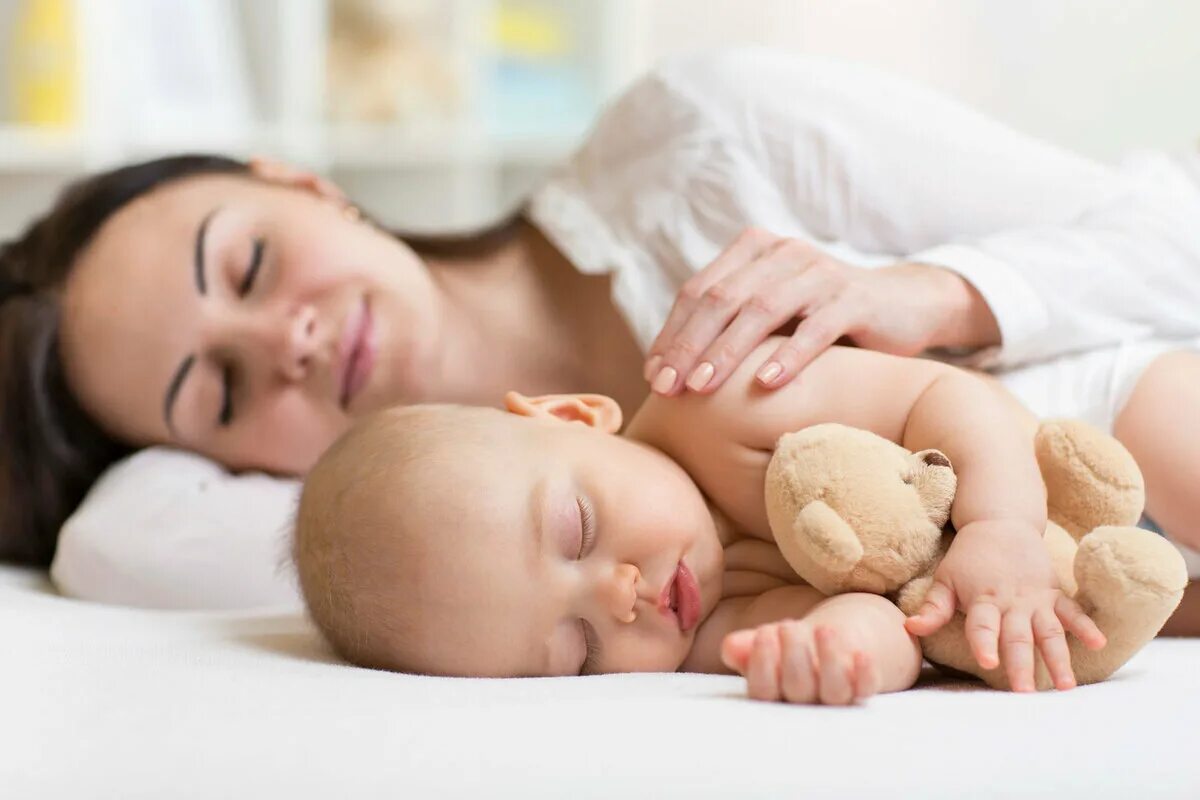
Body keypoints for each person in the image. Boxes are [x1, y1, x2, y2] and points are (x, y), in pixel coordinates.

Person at [2, 48, 1198, 608]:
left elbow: (1177, 232)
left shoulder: (707, 141)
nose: (288, 341)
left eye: (249, 262)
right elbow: (116, 547)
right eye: (216, 392)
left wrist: (934, 293)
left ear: (299, 178)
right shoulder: (447, 558)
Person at [294, 338, 1110, 701]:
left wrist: (1000, 528)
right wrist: (835, 655)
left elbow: (945, 396)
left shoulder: (723, 405)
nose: (620, 600)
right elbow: (889, 623)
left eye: (578, 532)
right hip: (1090, 561)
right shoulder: (702, 641)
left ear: (575, 417)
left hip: (1074, 411)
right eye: (579, 651)